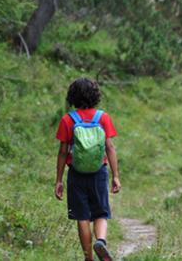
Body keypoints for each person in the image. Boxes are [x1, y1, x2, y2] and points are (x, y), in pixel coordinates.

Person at [55, 78, 121, 261]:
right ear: (95, 96)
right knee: (101, 213)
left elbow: (62, 152)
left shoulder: (68, 120)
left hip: (76, 174)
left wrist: (59, 180)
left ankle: (88, 257)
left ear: (72, 96)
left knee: (82, 216)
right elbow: (110, 147)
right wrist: (115, 176)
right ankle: (100, 241)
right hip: (99, 172)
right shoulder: (102, 118)